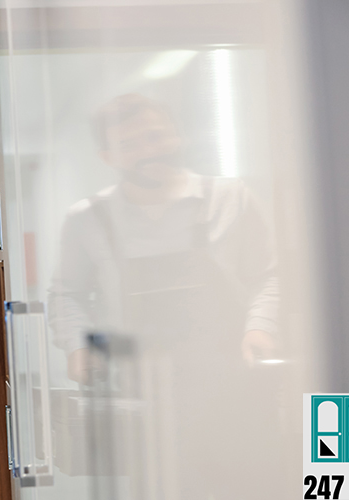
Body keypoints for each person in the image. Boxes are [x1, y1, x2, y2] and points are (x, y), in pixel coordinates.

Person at [47, 94, 282, 498]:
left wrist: (261, 328)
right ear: (107, 155)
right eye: (130, 144)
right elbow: (65, 295)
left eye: (156, 136)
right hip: (142, 396)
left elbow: (271, 276)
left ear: (177, 135)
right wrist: (78, 346)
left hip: (234, 388)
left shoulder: (231, 198)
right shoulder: (88, 218)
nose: (148, 151)